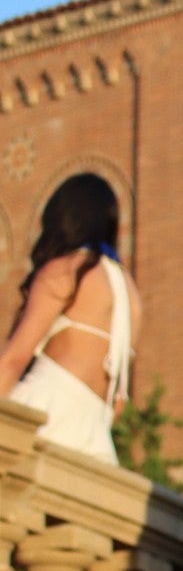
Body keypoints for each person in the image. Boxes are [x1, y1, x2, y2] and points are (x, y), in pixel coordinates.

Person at [0, 174, 139, 461]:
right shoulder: (130, 294)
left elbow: (13, 360)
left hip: (41, 418)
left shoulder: (70, 270)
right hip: (95, 442)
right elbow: (119, 404)